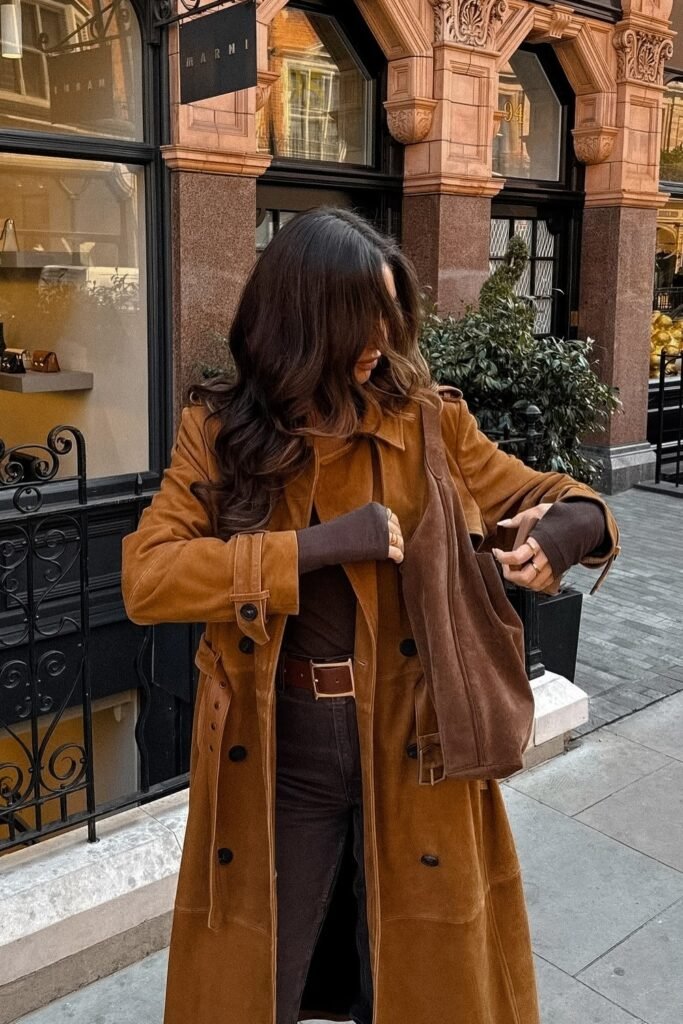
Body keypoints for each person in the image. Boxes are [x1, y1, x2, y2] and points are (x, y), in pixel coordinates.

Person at [121, 208, 620, 1024]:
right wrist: (314, 547)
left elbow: (536, 491)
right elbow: (148, 578)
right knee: (261, 978)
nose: (381, 346)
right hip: (276, 749)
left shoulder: (425, 418)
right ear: (304, 321)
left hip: (411, 739)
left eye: (393, 322)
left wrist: (570, 530)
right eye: (365, 324)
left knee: (410, 976)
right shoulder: (217, 433)